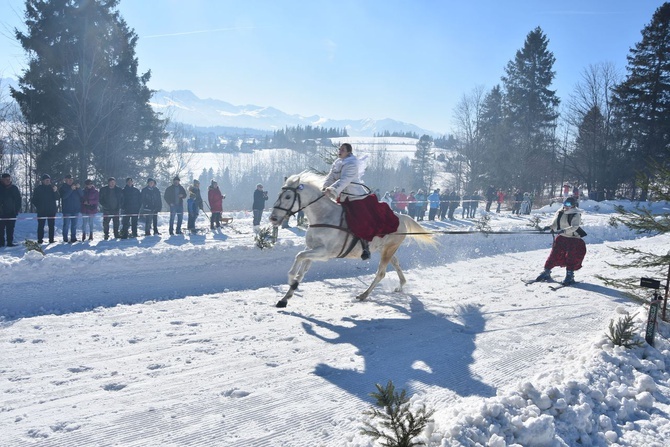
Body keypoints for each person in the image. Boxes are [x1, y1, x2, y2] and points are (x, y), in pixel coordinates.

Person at [322, 143, 398, 260]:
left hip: (355, 197)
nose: (339, 151)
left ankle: (365, 246)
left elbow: (345, 180)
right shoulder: (337, 163)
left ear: (348, 152)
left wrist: (332, 189)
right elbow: (330, 176)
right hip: (342, 196)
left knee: (361, 221)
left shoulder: (351, 163)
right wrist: (324, 187)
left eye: (342, 149)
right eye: (339, 149)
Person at [535, 197, 587, 285]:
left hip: (573, 239)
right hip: (562, 237)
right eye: (565, 204)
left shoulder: (575, 214)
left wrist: (564, 230)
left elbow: (575, 227)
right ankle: (547, 271)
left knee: (571, 257)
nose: (566, 206)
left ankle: (569, 275)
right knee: (554, 254)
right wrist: (549, 227)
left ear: (573, 205)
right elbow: (555, 224)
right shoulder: (560, 212)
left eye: (568, 205)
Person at [31, 174, 59, 244]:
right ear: (42, 181)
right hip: (42, 211)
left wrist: (55, 191)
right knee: (41, 226)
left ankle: (51, 240)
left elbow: (58, 198)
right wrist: (39, 207)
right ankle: (40, 240)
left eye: (49, 180)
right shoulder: (38, 189)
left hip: (51, 210)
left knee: (51, 226)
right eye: (46, 180)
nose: (48, 181)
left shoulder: (52, 188)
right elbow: (34, 200)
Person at [59, 174, 82, 242]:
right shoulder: (62, 187)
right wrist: (71, 190)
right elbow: (64, 197)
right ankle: (65, 238)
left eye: (71, 180)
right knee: (66, 225)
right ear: (65, 180)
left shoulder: (76, 187)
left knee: (74, 225)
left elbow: (82, 195)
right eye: (68, 180)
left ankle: (73, 237)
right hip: (67, 210)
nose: (70, 181)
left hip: (75, 209)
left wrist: (79, 188)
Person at [0, 173, 21, 247]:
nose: (8, 181)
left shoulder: (14, 188)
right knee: (1, 229)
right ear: (2, 180)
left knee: (10, 229)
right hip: (1, 213)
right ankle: (1, 243)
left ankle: (10, 242)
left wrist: (17, 210)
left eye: (9, 179)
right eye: (6, 179)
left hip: (11, 212)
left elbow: (18, 200)